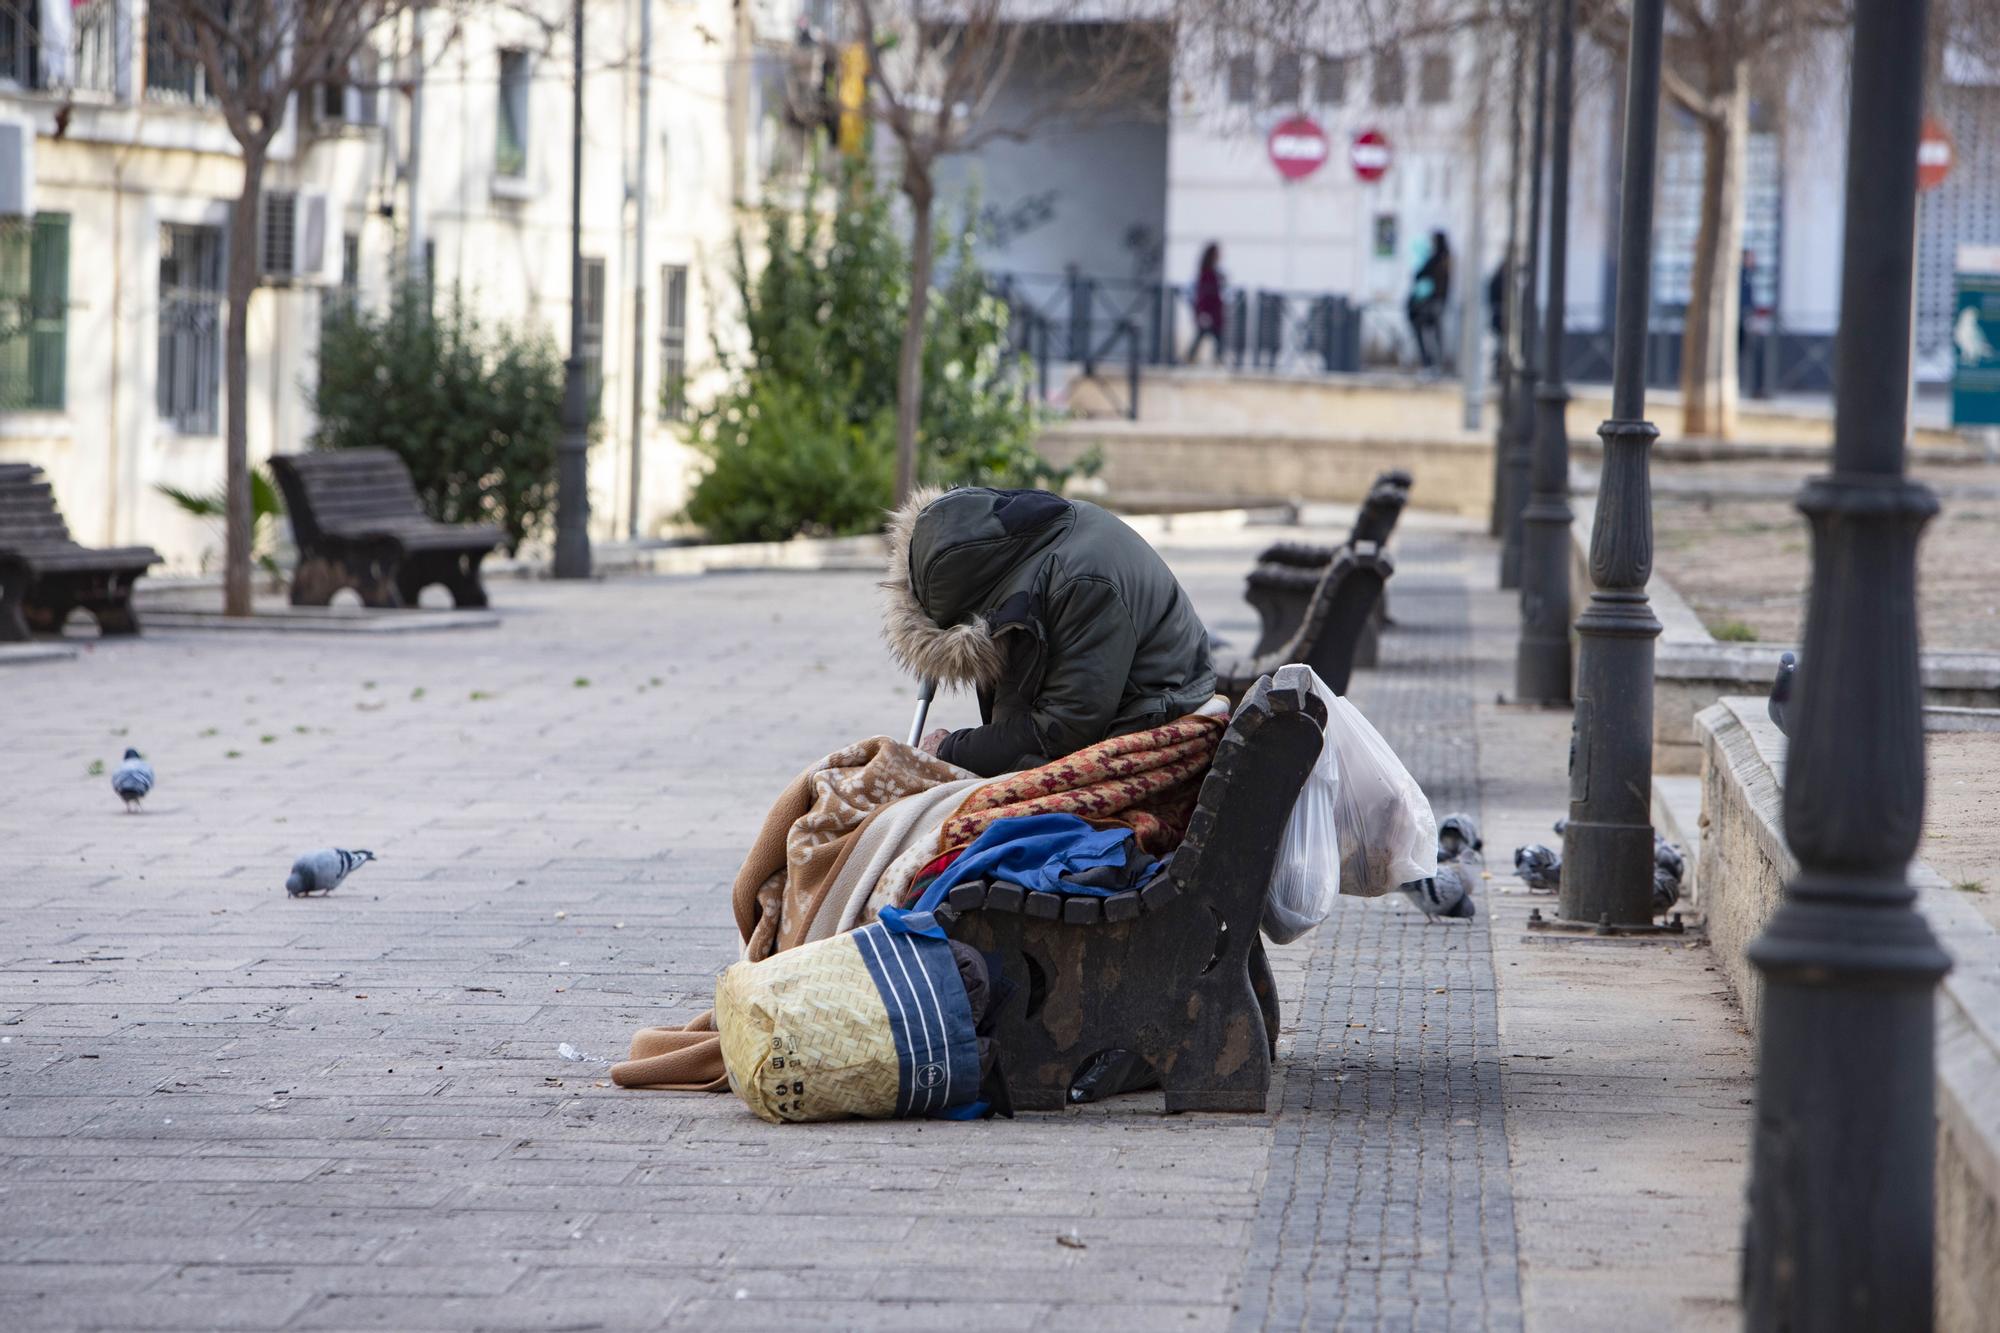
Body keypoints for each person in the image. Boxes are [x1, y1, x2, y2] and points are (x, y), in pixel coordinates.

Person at [883, 487, 1217, 778]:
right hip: (1121, 703)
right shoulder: (1028, 546)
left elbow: (1066, 728)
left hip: (1152, 713)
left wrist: (949, 750)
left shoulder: (1080, 584)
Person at [1408, 230, 1452, 372]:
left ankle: (1431, 363)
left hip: (1434, 303)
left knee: (1422, 327)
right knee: (1435, 333)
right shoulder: (1446, 258)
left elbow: (1419, 274)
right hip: (1440, 302)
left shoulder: (1438, 257)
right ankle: (1435, 363)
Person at [1190, 243, 1225, 364]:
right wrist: (1203, 312)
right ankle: (1217, 359)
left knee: (1211, 336)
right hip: (1210, 312)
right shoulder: (1207, 273)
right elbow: (1204, 294)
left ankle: (1217, 358)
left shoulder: (1212, 272)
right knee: (1210, 335)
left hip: (1213, 312)